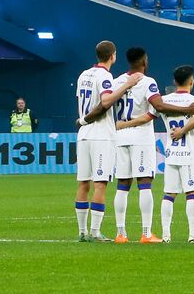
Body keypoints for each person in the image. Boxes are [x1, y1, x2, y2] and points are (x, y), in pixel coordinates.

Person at [108, 46, 194, 243]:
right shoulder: (147, 82)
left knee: (122, 185)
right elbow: (158, 106)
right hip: (141, 137)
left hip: (120, 136)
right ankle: (146, 233)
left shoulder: (117, 82)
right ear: (144, 61)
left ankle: (121, 234)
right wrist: (187, 109)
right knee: (144, 184)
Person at [74, 41, 144, 242]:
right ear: (113, 55)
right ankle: (95, 232)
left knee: (83, 183)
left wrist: (83, 120)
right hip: (101, 134)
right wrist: (127, 85)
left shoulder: (83, 75)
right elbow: (105, 102)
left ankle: (81, 231)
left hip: (84, 134)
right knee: (100, 184)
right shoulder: (105, 76)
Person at [159, 66, 194, 243]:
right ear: (191, 81)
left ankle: (165, 235)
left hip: (171, 152)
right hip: (189, 152)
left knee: (169, 194)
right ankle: (193, 234)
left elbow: (157, 111)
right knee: (192, 193)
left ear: (174, 82)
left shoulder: (164, 100)